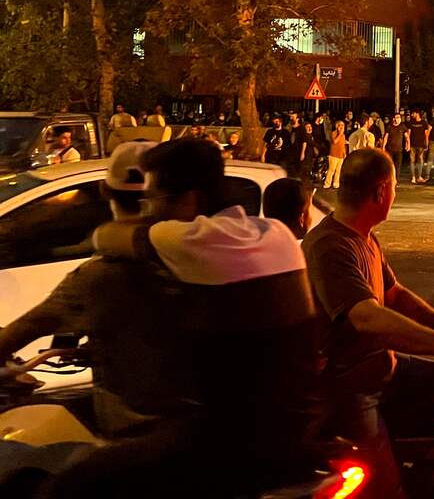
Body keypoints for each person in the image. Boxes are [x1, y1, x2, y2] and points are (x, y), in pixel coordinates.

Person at [79, 139, 321, 496]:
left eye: (155, 200)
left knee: (79, 482)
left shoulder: (186, 239)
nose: (150, 211)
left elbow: (106, 235)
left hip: (232, 445)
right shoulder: (277, 234)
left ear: (189, 200)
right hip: (301, 429)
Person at [302, 149, 434, 497]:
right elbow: (366, 316)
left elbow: (394, 294)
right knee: (386, 490)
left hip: (383, 366)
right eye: (394, 187)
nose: (395, 194)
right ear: (380, 191)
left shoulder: (364, 236)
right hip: (352, 385)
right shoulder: (330, 246)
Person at [0, 142, 194, 441]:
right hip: (199, 424)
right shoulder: (203, 260)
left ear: (106, 192)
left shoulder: (99, 276)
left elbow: (21, 331)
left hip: (139, 435)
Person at [382, 113, 410, 178]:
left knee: (398, 166)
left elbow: (407, 137)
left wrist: (408, 145)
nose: (398, 119)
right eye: (397, 117)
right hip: (390, 149)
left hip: (399, 150)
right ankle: (390, 178)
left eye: (399, 118)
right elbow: (386, 137)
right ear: (393, 119)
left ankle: (396, 179)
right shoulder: (389, 126)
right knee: (390, 165)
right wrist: (383, 147)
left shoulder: (402, 126)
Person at [408, 110, 429, 184]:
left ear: (417, 114)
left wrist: (426, 144)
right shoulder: (411, 122)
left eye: (413, 113)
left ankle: (419, 176)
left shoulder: (424, 123)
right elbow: (408, 134)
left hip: (421, 145)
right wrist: (408, 144)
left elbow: (426, 134)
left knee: (420, 160)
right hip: (412, 145)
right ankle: (413, 177)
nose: (412, 114)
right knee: (412, 160)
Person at [325, 120, 347, 189]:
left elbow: (343, 145)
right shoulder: (333, 133)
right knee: (331, 170)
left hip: (340, 156)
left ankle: (336, 184)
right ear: (337, 126)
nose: (342, 126)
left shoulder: (343, 135)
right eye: (340, 125)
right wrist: (340, 134)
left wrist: (344, 153)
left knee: (338, 171)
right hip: (333, 155)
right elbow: (335, 141)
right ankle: (327, 184)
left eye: (343, 125)